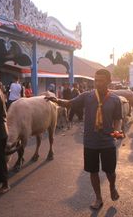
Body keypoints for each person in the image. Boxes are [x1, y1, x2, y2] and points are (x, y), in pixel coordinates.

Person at [45, 69, 122, 209]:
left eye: (101, 80)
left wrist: (116, 132)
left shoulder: (115, 99)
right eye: (96, 80)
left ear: (108, 81)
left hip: (108, 142)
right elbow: (69, 103)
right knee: (93, 171)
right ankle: (98, 198)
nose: (97, 83)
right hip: (90, 141)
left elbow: (118, 119)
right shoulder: (87, 96)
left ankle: (112, 187)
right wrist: (56, 100)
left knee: (110, 171)